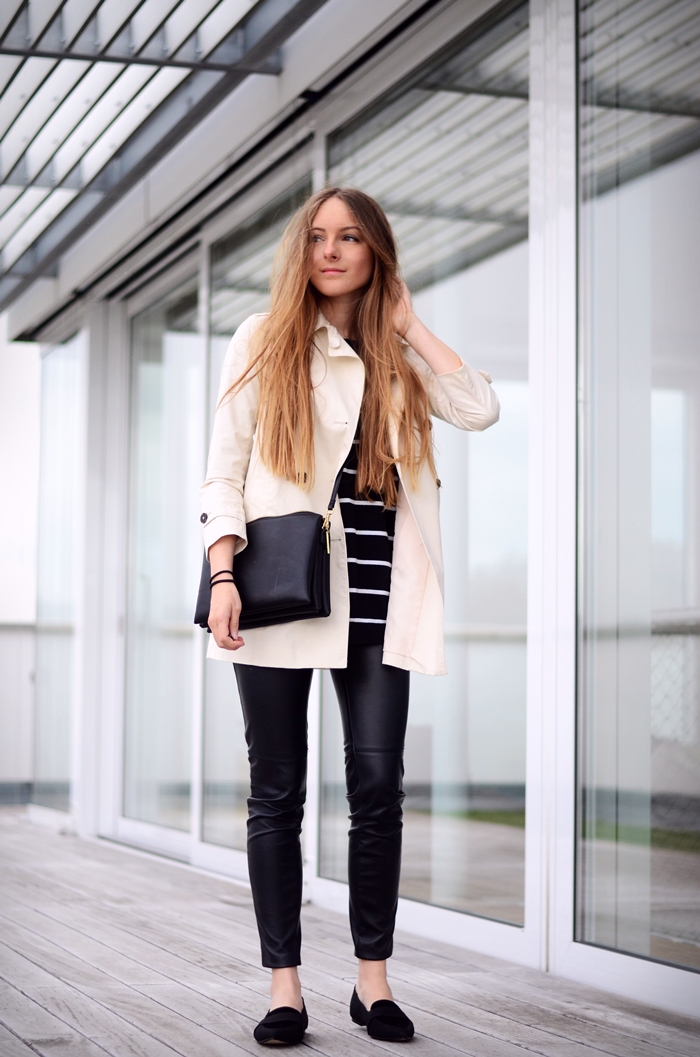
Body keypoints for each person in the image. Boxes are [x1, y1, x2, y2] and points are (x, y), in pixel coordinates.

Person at [200, 187, 499, 1045]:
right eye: (318, 237)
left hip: (378, 601)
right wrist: (222, 571)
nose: (331, 251)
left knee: (377, 787)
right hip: (282, 596)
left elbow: (480, 406)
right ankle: (285, 988)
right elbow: (223, 468)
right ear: (302, 251)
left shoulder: (397, 357)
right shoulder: (262, 340)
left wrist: (407, 323)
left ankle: (373, 982)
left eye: (351, 237)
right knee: (276, 791)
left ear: (376, 254)